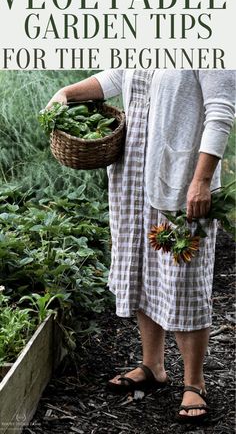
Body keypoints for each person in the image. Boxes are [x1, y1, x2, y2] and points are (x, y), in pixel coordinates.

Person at [47, 70, 235, 424]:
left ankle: (195, 382)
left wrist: (202, 180)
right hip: (132, 169)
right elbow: (117, 77)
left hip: (180, 174)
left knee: (185, 278)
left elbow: (220, 111)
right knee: (141, 265)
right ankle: (153, 366)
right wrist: (67, 92)